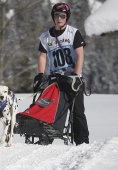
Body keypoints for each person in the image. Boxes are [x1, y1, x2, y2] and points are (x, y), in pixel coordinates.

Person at [34, 2, 89, 145]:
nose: (59, 18)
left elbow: (80, 55)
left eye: (63, 16)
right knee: (51, 108)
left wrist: (77, 75)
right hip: (56, 79)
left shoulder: (73, 33)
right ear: (53, 16)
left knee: (77, 111)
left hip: (73, 78)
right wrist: (40, 75)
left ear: (67, 18)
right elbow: (42, 56)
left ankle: (82, 142)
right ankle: (46, 138)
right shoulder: (45, 37)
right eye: (57, 15)